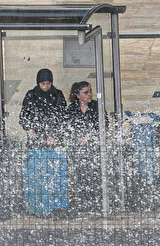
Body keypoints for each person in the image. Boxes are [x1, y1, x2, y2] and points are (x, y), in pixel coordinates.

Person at [65, 81, 106, 214]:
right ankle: (83, 203)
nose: (89, 94)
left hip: (93, 148)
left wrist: (90, 138)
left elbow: (103, 125)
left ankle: (96, 203)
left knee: (95, 175)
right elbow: (67, 128)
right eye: (86, 92)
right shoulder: (72, 109)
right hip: (78, 149)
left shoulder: (96, 106)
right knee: (80, 177)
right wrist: (77, 139)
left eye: (90, 91)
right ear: (78, 95)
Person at [19, 68, 66, 146]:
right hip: (35, 135)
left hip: (54, 138)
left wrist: (54, 134)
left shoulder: (58, 95)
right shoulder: (31, 94)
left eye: (48, 83)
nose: (45, 86)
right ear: (38, 83)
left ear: (51, 83)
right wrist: (29, 129)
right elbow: (24, 115)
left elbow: (62, 116)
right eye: (43, 83)